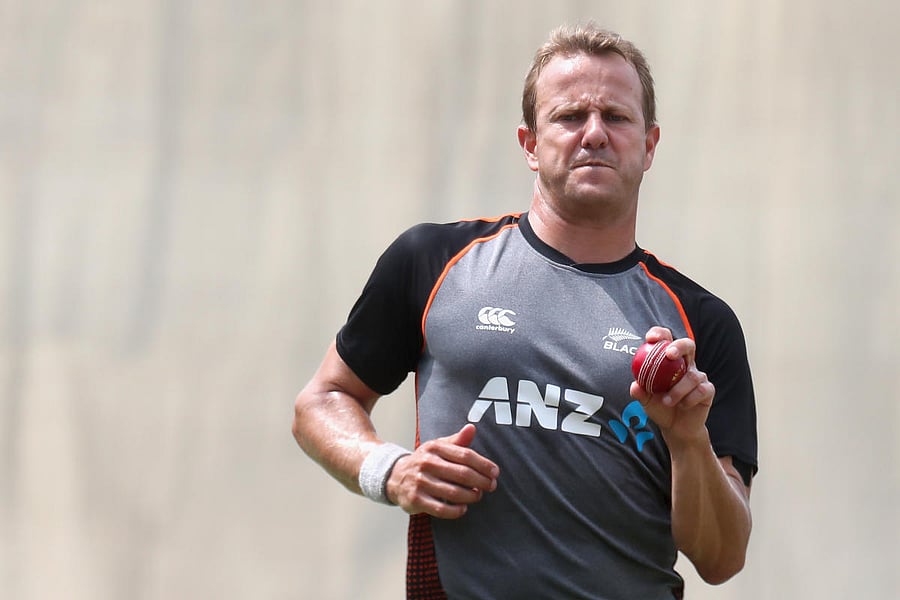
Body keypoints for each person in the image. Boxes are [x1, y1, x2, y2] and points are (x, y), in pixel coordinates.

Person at [293, 23, 758, 600]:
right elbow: (322, 401)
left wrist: (689, 441)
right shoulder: (433, 260)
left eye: (616, 117)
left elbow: (722, 558)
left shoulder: (699, 322)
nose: (594, 135)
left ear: (650, 144)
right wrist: (388, 470)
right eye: (568, 117)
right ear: (530, 144)